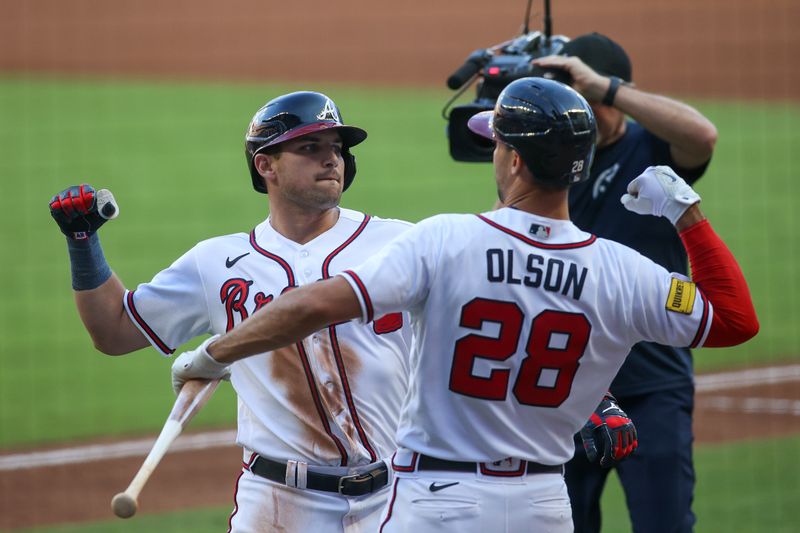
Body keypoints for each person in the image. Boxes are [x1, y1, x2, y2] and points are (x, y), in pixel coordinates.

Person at [168, 78, 759, 532]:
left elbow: (311, 306)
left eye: (496, 142)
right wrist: (687, 213)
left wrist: (217, 351)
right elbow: (735, 319)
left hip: (438, 504)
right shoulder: (622, 270)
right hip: (544, 507)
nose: (493, 152)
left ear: (515, 161)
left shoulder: (447, 241)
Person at [48, 91, 417, 532]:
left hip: (398, 494)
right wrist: (83, 242)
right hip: (280, 502)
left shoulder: (401, 244)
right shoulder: (217, 263)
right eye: (310, 148)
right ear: (266, 165)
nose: (331, 160)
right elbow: (115, 332)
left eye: (337, 148)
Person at [532, 32, 719, 532]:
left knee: (665, 524)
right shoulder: (555, 159)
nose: (587, 115)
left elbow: (702, 136)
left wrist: (608, 89)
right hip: (570, 386)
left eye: (593, 102)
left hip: (652, 383)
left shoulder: (650, 149)